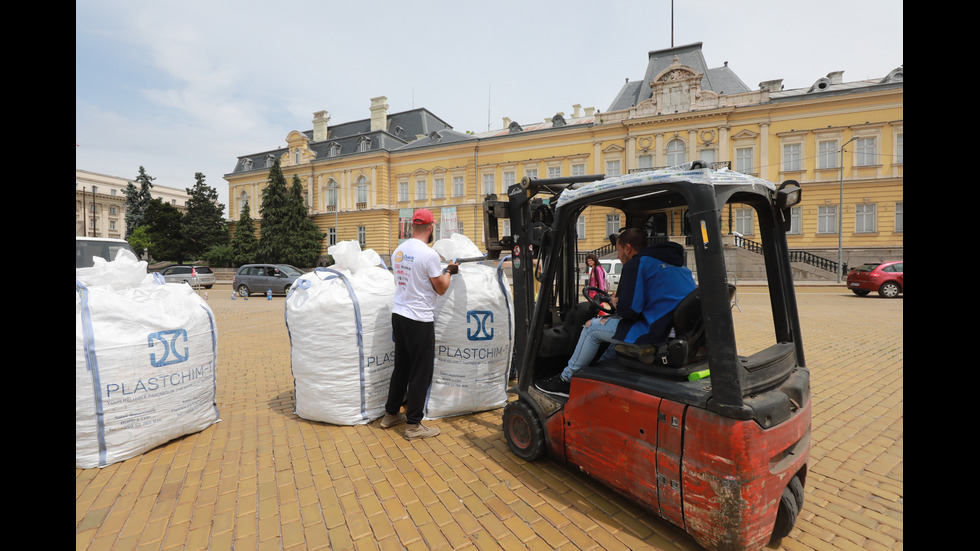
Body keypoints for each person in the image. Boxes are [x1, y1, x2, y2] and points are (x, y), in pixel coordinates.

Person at [535, 228, 696, 397]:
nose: (618, 256)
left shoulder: (637, 264)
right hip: (675, 329)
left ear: (627, 248)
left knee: (591, 328)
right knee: (616, 333)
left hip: (657, 331)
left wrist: (615, 304)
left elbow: (630, 311)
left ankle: (565, 380)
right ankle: (598, 373)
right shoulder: (676, 265)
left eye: (618, 251)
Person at [380, 208, 459, 439]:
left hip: (399, 315)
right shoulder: (429, 255)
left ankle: (390, 414)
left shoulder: (399, 251)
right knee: (421, 372)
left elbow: (400, 281)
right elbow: (441, 288)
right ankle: (413, 424)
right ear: (431, 227)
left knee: (402, 367)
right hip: (419, 319)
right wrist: (450, 271)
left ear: (412, 226)